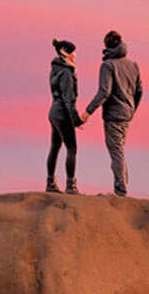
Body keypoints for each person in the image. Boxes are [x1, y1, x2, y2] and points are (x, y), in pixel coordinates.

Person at [79, 30, 142, 196]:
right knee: (119, 150)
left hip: (114, 115)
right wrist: (132, 108)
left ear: (106, 46)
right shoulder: (133, 65)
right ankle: (122, 186)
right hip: (127, 114)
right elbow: (139, 90)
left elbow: (104, 92)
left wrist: (87, 112)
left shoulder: (108, 65)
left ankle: (121, 190)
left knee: (116, 151)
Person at [46, 38, 82, 194]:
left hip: (53, 112)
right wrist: (76, 119)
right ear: (64, 53)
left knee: (55, 147)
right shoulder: (66, 72)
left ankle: (50, 183)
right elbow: (69, 100)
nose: (75, 55)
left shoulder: (55, 69)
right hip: (63, 115)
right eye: (73, 52)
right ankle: (70, 186)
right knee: (72, 148)